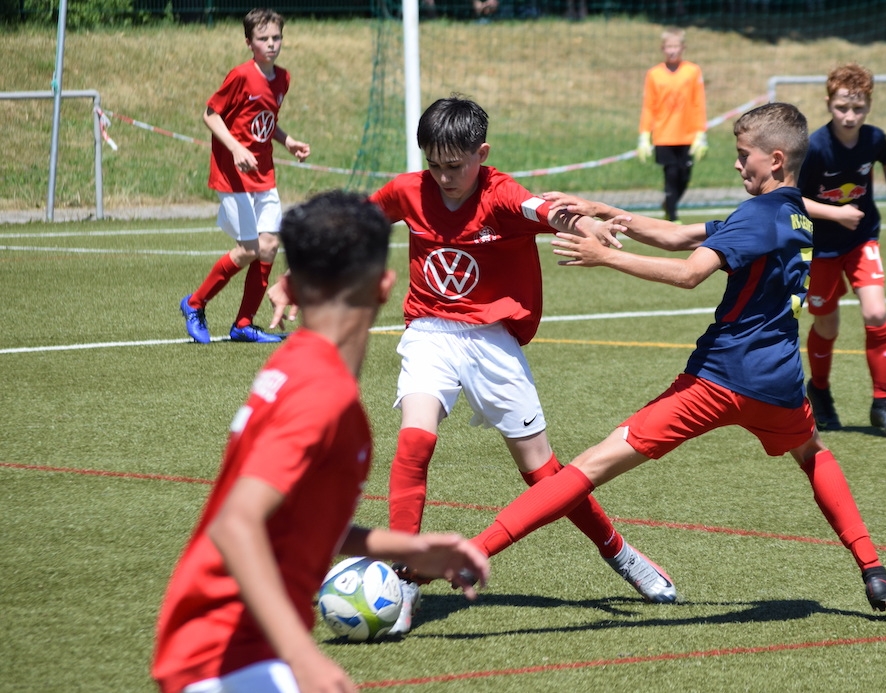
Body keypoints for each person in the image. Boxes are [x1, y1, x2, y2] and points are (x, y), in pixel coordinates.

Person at [468, 102, 886, 620]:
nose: (737, 163)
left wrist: (607, 256)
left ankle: (470, 552)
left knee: (590, 466)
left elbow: (689, 272)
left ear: (775, 159)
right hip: (779, 386)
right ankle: (873, 571)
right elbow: (678, 234)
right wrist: (599, 208)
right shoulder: (794, 215)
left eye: (743, 155)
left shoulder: (756, 215)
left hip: (718, 380)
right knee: (813, 453)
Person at [269, 95, 676, 637]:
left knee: (544, 474)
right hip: (429, 332)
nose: (444, 177)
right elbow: (349, 227)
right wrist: (295, 278)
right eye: (434, 165)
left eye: (455, 165)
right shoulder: (408, 190)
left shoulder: (501, 194)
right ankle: (404, 580)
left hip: (493, 342)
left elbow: (545, 210)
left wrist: (582, 223)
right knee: (415, 441)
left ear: (481, 154)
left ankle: (618, 551)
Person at [152, 190, 490, 693]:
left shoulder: (296, 364)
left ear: (290, 286)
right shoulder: (322, 393)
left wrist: (410, 548)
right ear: (385, 286)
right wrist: (304, 658)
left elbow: (297, 524)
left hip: (223, 651)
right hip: (224, 659)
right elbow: (236, 524)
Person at [179, 8, 310, 345]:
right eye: (263, 38)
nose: (271, 43)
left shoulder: (283, 79)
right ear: (249, 42)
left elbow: (266, 121)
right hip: (233, 174)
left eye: (276, 37)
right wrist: (236, 148)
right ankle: (194, 304)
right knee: (249, 249)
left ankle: (243, 324)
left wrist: (287, 141)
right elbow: (211, 115)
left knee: (268, 247)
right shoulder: (239, 76)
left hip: (264, 173)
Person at [798, 63, 886, 438]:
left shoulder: (874, 139)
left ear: (869, 106)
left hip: (862, 238)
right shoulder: (815, 147)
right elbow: (792, 198)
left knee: (876, 313)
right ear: (828, 103)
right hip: (820, 247)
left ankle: (882, 404)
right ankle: (820, 390)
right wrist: (836, 213)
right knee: (827, 325)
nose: (850, 116)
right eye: (842, 107)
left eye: (858, 108)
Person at [637, 27, 708, 222]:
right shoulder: (654, 74)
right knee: (671, 175)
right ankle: (672, 216)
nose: (672, 51)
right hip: (664, 135)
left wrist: (701, 133)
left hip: (688, 135)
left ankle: (669, 204)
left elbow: (698, 103)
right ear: (662, 48)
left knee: (684, 177)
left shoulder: (692, 71)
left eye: (675, 46)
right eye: (668, 46)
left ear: (683, 47)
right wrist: (644, 135)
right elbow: (649, 106)